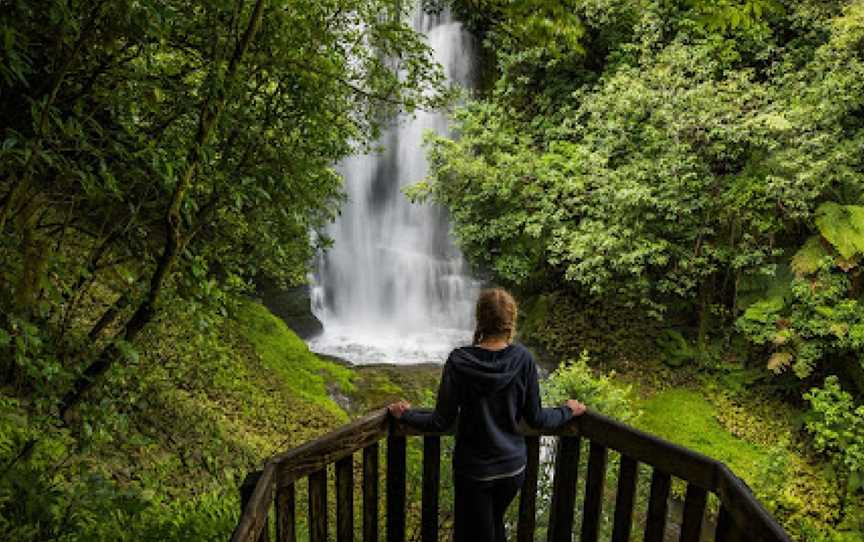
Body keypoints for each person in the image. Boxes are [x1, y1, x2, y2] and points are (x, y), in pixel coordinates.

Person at [388, 288, 586, 542]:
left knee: (479, 531)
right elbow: (536, 418)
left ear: (479, 319)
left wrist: (405, 415)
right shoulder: (523, 360)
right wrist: (568, 410)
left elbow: (441, 420)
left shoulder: (459, 361)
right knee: (491, 525)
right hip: (512, 468)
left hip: (474, 470)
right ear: (511, 321)